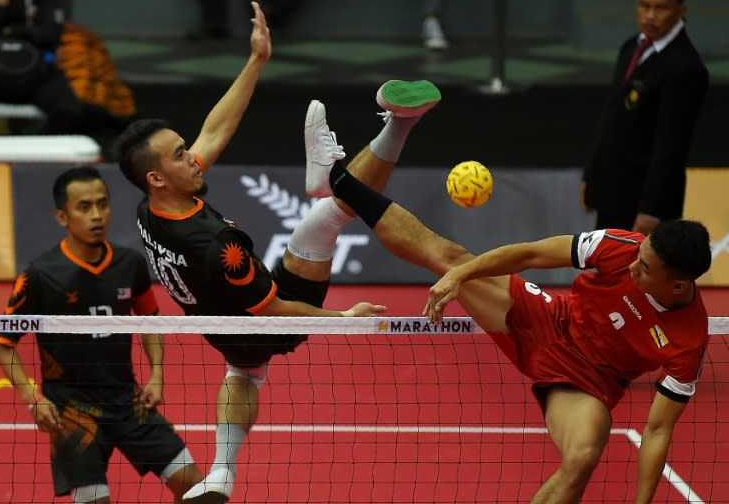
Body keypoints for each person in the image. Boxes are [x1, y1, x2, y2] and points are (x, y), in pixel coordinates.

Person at [113, 1, 441, 503]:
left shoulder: (150, 207)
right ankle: (395, 127)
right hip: (266, 316)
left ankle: (222, 474)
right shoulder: (217, 246)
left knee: (243, 372)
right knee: (330, 213)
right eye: (180, 155)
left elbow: (215, 130)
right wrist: (343, 319)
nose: (192, 155)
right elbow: (275, 308)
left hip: (222, 328)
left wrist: (256, 61)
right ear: (158, 176)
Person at [305, 104, 712, 503]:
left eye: (646, 268)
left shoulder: (689, 339)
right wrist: (461, 275)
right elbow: (532, 255)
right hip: (547, 319)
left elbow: (658, 431)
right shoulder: (623, 247)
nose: (635, 264)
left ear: (677, 286)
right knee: (448, 256)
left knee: (583, 457)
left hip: (588, 382)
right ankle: (336, 179)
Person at [0, 166, 204, 503]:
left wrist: (157, 373)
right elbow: (3, 344)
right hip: (73, 412)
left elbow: (149, 320)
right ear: (63, 216)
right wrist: (33, 398)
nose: (96, 215)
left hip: (128, 402)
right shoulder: (40, 276)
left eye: (102, 204)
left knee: (196, 488)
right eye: (84, 207)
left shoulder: (129, 264)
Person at [581, 0, 708, 235]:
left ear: (681, 11)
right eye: (645, 6)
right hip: (611, 191)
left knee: (637, 272)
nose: (650, 16)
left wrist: (652, 210)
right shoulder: (632, 46)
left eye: (661, 8)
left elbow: (671, 147)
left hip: (644, 203)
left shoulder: (686, 68)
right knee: (604, 268)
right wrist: (591, 176)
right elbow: (612, 116)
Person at [0, 0, 109, 140]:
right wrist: (1, 2)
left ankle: (38, 151)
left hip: (37, 75)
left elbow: (52, 33)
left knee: (72, 110)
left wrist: (11, 31)